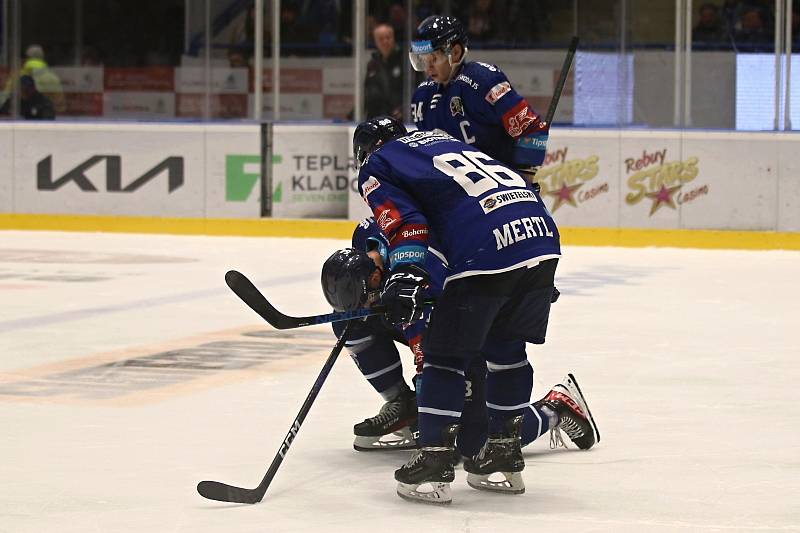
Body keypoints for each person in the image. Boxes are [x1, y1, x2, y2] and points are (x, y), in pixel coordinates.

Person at [352, 116, 599, 505]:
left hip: (484, 247)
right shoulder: (442, 141)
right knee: (506, 350)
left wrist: (407, 272)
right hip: (540, 236)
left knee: (444, 357)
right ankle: (502, 453)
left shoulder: (377, 164)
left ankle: (433, 460)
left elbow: (407, 223)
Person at [322, 218, 597, 463]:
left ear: (375, 275)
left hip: (463, 322)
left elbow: (427, 363)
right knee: (349, 320)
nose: (370, 305)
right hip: (422, 303)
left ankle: (555, 407)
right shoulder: (365, 235)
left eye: (370, 297)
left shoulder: (422, 264)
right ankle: (403, 404)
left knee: (469, 445)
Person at [408, 15, 549, 183]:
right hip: (456, 194)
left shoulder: (483, 81)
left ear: (455, 52)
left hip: (500, 188)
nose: (428, 68)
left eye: (434, 59)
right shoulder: (421, 98)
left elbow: (531, 128)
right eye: (423, 60)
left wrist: (524, 178)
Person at [365, 24, 404, 120]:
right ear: (375, 41)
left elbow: (415, 88)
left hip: (398, 119)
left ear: (393, 38)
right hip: (376, 118)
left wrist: (404, 109)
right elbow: (367, 92)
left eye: (388, 37)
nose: (385, 41)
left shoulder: (404, 61)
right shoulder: (372, 64)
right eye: (381, 39)